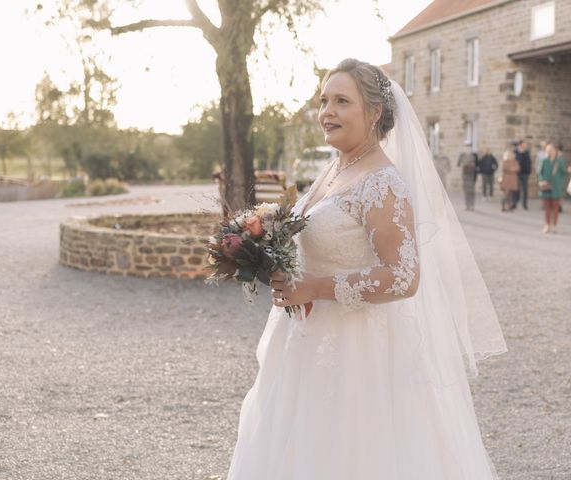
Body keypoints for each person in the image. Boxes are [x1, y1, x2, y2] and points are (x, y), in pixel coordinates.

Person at [226, 59, 506, 480]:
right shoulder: (336, 169)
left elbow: (404, 277)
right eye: (324, 101)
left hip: (359, 353)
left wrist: (314, 286)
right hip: (306, 341)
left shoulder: (383, 183)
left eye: (342, 101)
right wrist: (268, 255)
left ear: (374, 112)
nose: (327, 112)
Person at [538, 143, 567, 233]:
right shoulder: (544, 161)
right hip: (546, 187)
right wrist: (541, 181)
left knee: (555, 208)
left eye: (552, 149)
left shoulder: (559, 161)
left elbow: (563, 173)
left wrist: (560, 182)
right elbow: (540, 173)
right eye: (548, 149)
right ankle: (547, 225)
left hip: (556, 187)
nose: (550, 151)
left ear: (555, 151)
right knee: (547, 208)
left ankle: (554, 225)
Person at [457, 140, 478, 211]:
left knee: (471, 190)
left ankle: (472, 205)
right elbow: (458, 164)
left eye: (469, 146)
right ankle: (467, 205)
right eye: (467, 146)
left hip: (472, 175)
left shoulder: (474, 155)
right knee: (466, 190)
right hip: (465, 174)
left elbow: (477, 165)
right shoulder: (462, 155)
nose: (468, 148)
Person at [513, 140, 532, 209]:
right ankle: (514, 203)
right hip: (517, 173)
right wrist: (521, 153)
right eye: (524, 145)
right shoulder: (515, 152)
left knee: (525, 189)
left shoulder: (527, 152)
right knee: (516, 189)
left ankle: (524, 204)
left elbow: (529, 162)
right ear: (520, 145)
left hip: (525, 173)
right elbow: (516, 161)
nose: (525, 146)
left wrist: (529, 170)